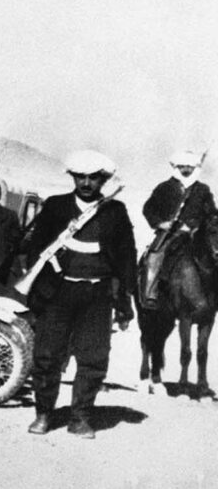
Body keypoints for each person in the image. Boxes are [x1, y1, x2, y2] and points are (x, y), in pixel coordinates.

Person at [24, 150, 135, 439]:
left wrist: (124, 298)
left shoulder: (115, 211)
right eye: (80, 176)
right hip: (58, 293)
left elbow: (126, 257)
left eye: (93, 177)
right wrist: (39, 290)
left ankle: (81, 417)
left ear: (104, 179)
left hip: (97, 295)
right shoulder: (56, 206)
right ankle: (44, 414)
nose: (86, 183)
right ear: (72, 177)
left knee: (94, 358)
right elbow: (36, 247)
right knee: (47, 356)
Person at [141, 150, 217, 317]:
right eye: (182, 166)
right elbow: (148, 209)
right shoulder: (164, 188)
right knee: (153, 257)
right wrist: (161, 223)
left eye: (189, 166)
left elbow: (211, 213)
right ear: (175, 167)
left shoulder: (202, 190)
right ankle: (150, 293)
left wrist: (196, 225)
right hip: (169, 235)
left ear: (195, 168)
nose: (186, 170)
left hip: (195, 234)